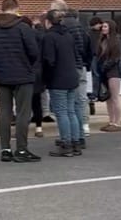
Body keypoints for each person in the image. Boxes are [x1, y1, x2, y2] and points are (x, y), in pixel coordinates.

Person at [0, 0, 41, 163]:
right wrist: (28, 66)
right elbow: (33, 52)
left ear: (2, 9)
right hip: (23, 75)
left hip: (2, 75)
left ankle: (5, 149)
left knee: (5, 113)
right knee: (23, 113)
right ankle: (22, 149)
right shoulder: (23, 28)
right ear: (17, 8)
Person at [42, 10, 82, 157]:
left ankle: (66, 143)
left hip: (58, 79)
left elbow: (49, 60)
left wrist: (46, 79)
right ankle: (76, 141)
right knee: (71, 111)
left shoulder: (49, 37)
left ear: (48, 21)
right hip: (72, 77)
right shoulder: (68, 35)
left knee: (61, 112)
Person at [97, 20, 121, 132]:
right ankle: (111, 121)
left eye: (105, 27)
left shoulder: (116, 41)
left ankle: (117, 123)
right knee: (108, 98)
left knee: (115, 97)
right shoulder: (103, 41)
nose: (103, 28)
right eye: (103, 27)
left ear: (111, 28)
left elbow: (116, 58)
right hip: (104, 72)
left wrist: (106, 66)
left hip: (114, 72)